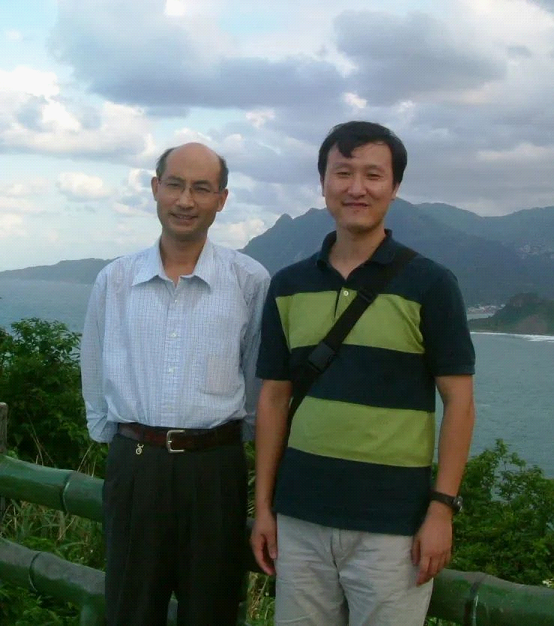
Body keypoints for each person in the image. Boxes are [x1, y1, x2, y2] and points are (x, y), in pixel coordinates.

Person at [251, 121, 475, 626]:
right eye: (343, 173)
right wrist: (264, 507)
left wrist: (441, 510)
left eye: (373, 175)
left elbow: (460, 403)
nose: (357, 188)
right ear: (323, 183)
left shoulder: (431, 284)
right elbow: (272, 399)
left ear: (394, 187)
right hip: (299, 518)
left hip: (393, 527)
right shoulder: (288, 285)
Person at [81, 142, 270, 625]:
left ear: (221, 199)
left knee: (212, 609)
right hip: (135, 463)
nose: (186, 200)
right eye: (175, 185)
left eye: (202, 188)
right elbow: (94, 365)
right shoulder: (116, 279)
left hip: (216, 468)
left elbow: (257, 377)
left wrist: (236, 439)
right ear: (155, 188)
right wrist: (115, 440)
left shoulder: (249, 281)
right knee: (131, 607)